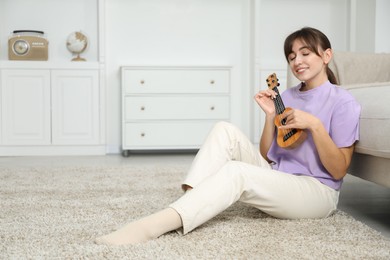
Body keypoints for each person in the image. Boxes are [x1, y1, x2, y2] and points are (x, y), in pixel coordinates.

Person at [95, 27, 361, 245]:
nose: (297, 61)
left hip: (316, 192)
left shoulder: (343, 102)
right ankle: (189, 201)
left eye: (305, 53)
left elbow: (338, 171)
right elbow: (268, 155)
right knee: (225, 129)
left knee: (237, 172)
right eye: (291, 57)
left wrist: (314, 125)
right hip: (282, 178)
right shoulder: (287, 97)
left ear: (326, 55)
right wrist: (270, 117)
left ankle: (152, 226)